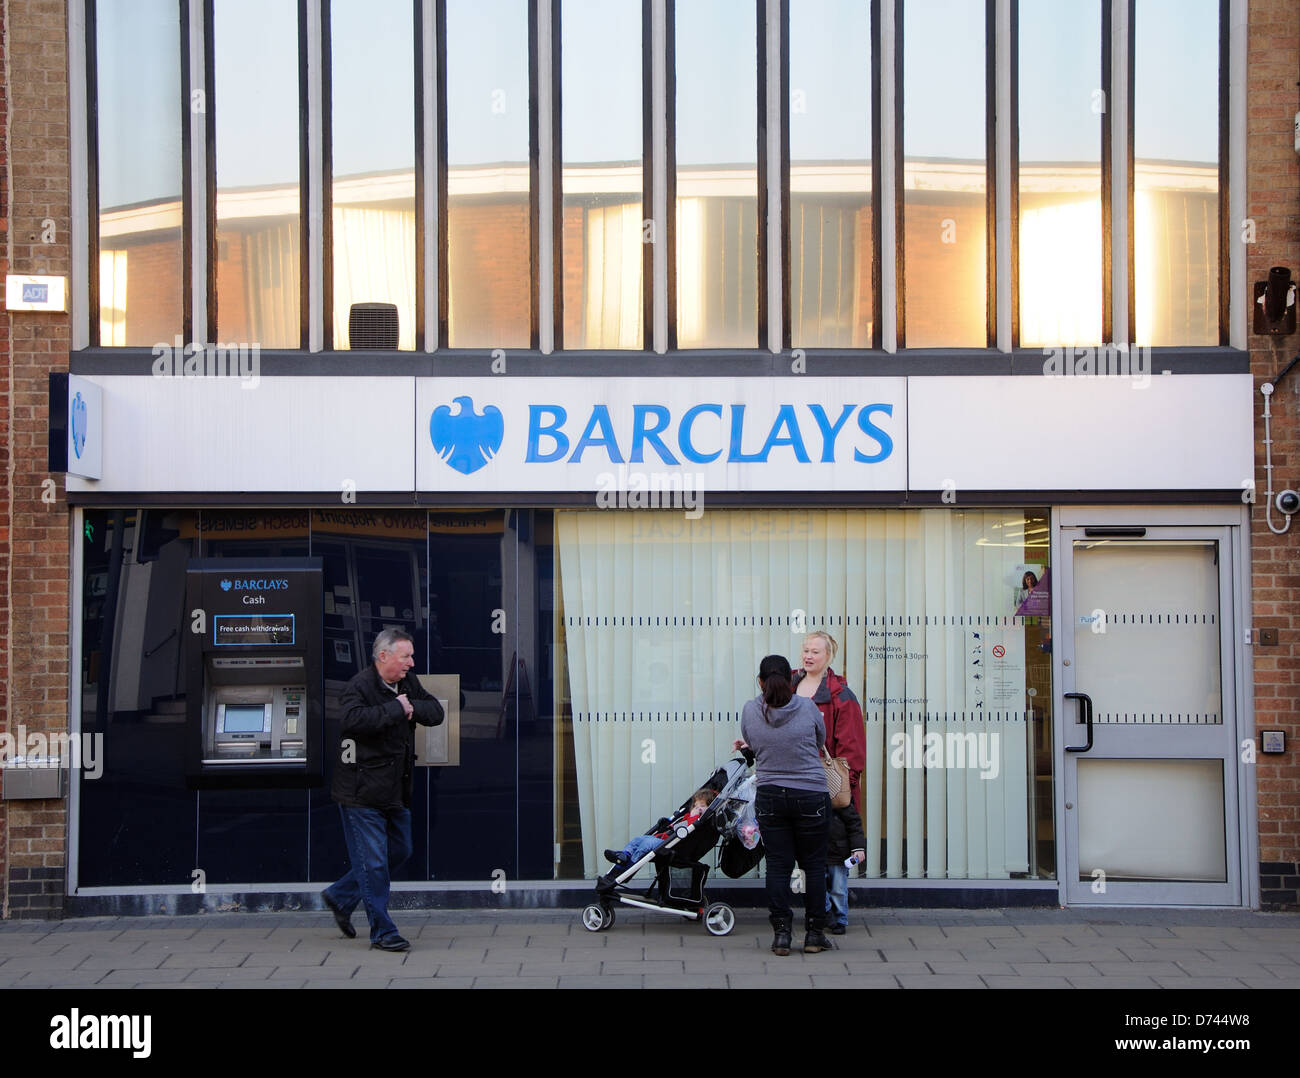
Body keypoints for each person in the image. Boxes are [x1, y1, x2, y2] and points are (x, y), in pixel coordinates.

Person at [322, 628, 444, 952]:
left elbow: (436, 711)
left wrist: (411, 708)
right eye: (406, 656)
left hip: (395, 791)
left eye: (411, 656)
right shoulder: (359, 687)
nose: (411, 662)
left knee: (401, 850)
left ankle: (340, 895)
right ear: (384, 656)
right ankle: (383, 932)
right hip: (360, 793)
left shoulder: (408, 684)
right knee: (374, 863)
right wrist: (396, 709)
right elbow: (350, 720)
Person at [733, 654, 831, 956]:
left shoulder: (751, 710)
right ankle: (814, 934)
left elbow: (753, 742)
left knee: (777, 865)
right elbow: (819, 740)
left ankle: (781, 935)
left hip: (771, 794)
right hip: (811, 794)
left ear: (760, 682)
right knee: (813, 866)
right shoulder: (807, 707)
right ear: (791, 679)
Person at [791, 631, 865, 814]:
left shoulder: (842, 697)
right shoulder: (787, 689)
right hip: (791, 790)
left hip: (826, 796)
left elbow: (852, 753)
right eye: (806, 650)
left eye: (815, 652)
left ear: (828, 656)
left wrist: (838, 788)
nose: (808, 656)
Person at [603, 788, 717, 867]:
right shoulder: (688, 816)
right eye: (696, 806)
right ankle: (624, 855)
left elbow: (688, 829)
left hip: (671, 846)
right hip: (663, 839)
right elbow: (676, 825)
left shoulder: (699, 822)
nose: (698, 808)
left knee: (645, 845)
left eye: (702, 806)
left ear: (710, 807)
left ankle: (629, 864)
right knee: (638, 840)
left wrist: (695, 816)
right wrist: (666, 825)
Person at [825, 803, 867, 935]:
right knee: (817, 888)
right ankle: (826, 912)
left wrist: (858, 848)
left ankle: (840, 919)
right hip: (819, 853)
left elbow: (854, 825)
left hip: (838, 854)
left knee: (839, 889)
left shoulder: (842, 802)